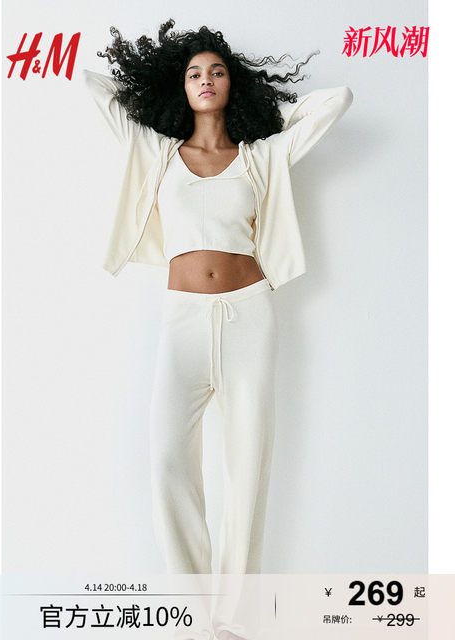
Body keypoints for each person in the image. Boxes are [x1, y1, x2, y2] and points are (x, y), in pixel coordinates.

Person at [83, 19, 353, 637]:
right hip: (182, 318)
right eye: (193, 73)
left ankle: (235, 619)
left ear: (236, 84)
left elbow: (336, 101)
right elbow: (93, 86)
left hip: (249, 316)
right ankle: (198, 613)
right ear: (178, 87)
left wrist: (270, 110)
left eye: (218, 71)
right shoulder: (157, 152)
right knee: (167, 462)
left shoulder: (261, 157)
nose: (206, 79)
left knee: (247, 468)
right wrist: (150, 91)